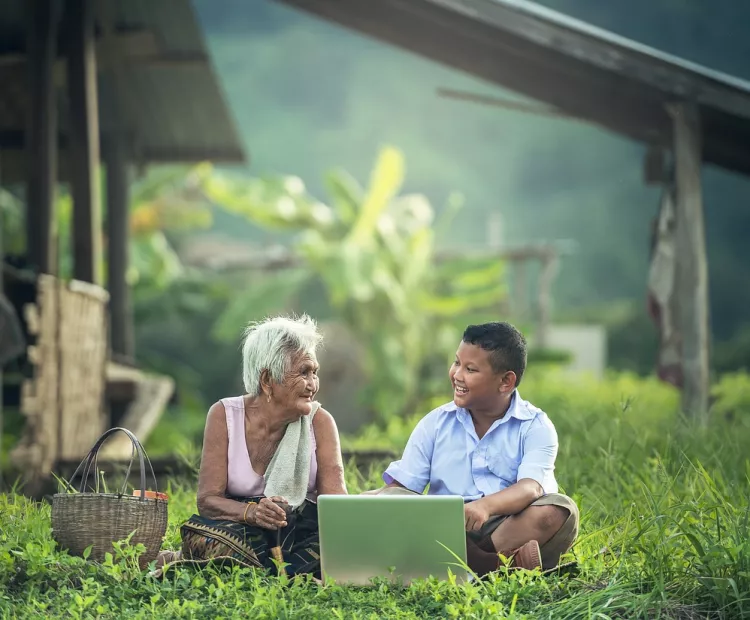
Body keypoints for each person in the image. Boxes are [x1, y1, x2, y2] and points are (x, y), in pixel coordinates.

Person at [367, 322, 579, 576]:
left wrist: (485, 507)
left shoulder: (535, 425)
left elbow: (531, 487)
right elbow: (402, 488)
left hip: (506, 526)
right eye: (457, 363)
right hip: (441, 525)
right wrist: (366, 501)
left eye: (470, 369)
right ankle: (493, 567)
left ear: (505, 381)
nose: (457, 375)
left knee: (559, 511)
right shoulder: (435, 423)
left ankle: (451, 563)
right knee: (390, 499)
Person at [157, 314, 347, 578]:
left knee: (334, 550)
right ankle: (285, 573)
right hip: (241, 529)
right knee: (213, 541)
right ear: (268, 380)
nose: (313, 385)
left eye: (314, 372)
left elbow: (337, 508)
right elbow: (208, 501)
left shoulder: (321, 423)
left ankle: (264, 570)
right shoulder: (224, 415)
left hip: (300, 532)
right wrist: (254, 512)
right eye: (303, 372)